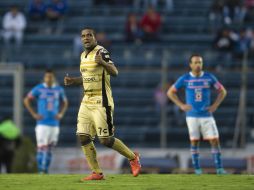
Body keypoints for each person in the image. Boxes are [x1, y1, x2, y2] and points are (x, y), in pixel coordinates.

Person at [64, 28, 141, 180]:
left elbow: (115, 72)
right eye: (83, 36)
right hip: (86, 100)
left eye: (89, 35)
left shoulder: (101, 52)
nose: (86, 38)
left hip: (101, 100)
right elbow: (87, 78)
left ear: (95, 38)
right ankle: (97, 173)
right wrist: (74, 80)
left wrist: (104, 63)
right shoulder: (82, 55)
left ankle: (133, 157)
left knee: (105, 140)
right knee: (83, 137)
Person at [167, 54, 227, 175]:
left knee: (215, 140)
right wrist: (181, 105)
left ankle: (220, 169)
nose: (198, 65)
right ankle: (197, 169)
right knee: (194, 141)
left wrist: (215, 105)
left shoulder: (209, 77)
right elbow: (170, 92)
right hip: (192, 116)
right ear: (190, 64)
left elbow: (222, 91)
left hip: (206, 115)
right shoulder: (185, 79)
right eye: (195, 62)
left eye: (200, 62)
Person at [24, 69, 68, 174]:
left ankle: (46, 170)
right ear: (44, 78)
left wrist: (61, 113)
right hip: (42, 124)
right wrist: (34, 114)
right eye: (47, 77)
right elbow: (26, 100)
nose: (48, 79)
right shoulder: (38, 89)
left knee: (49, 149)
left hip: (54, 124)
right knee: (41, 148)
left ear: (53, 78)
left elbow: (65, 102)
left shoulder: (59, 90)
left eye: (50, 77)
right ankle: (40, 170)